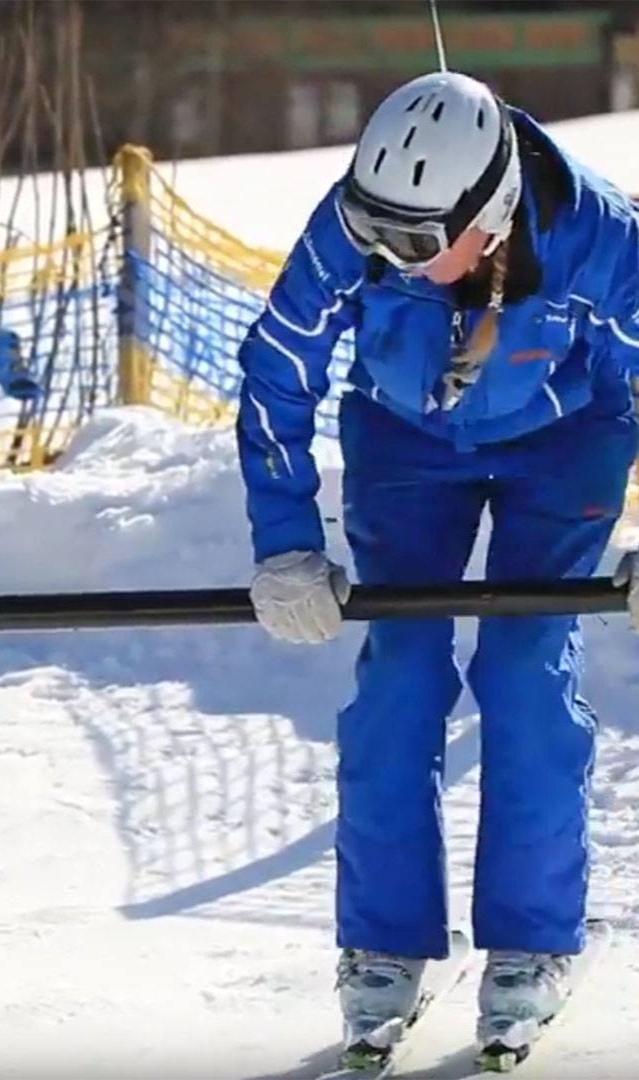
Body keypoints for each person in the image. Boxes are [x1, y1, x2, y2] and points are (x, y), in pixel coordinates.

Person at [238, 70, 639, 1064]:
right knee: (401, 680)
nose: (390, 256)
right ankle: (384, 943)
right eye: (375, 229)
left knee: (522, 670)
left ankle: (533, 944)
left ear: (492, 211)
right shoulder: (360, 227)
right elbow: (279, 364)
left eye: (417, 243)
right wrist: (286, 539)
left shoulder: (605, 241)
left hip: (565, 440)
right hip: (405, 437)